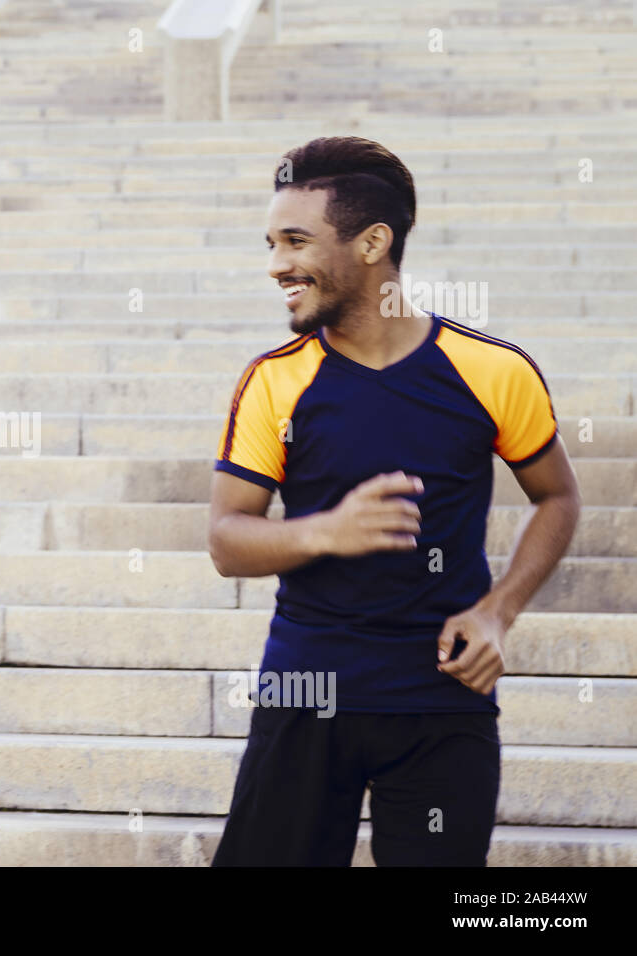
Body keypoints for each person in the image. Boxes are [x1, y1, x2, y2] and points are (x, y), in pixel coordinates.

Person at [208, 136, 580, 866]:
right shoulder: (273, 381)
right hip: (305, 688)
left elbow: (559, 497)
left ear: (374, 241)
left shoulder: (492, 371)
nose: (277, 264)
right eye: (272, 243)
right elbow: (227, 539)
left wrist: (498, 610)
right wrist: (326, 532)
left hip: (442, 700)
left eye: (296, 241)